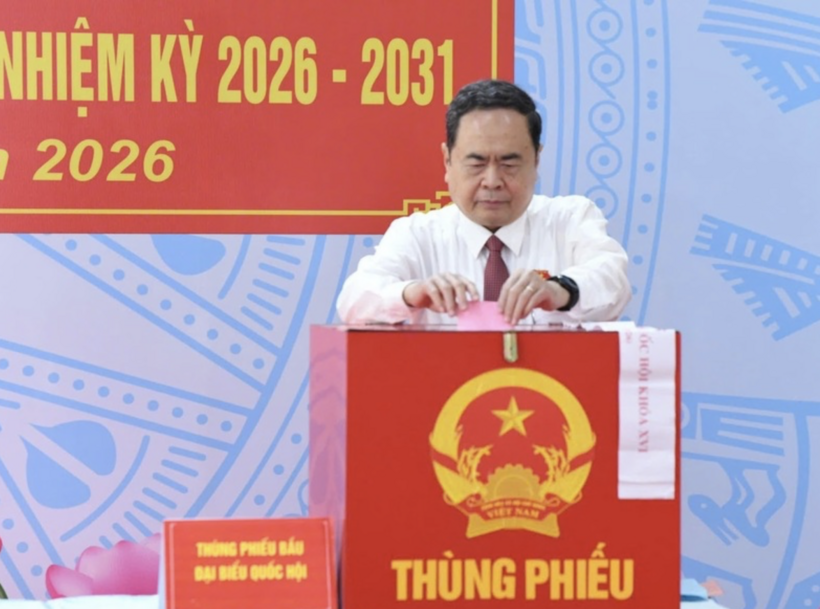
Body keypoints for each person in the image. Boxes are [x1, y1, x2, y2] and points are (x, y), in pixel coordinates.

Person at [337, 79, 630, 325]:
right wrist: (413, 293)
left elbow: (613, 282)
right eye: (476, 163)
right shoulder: (416, 235)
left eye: (509, 163)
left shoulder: (570, 219)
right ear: (447, 161)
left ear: (537, 159)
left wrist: (559, 290)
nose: (492, 180)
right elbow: (353, 301)